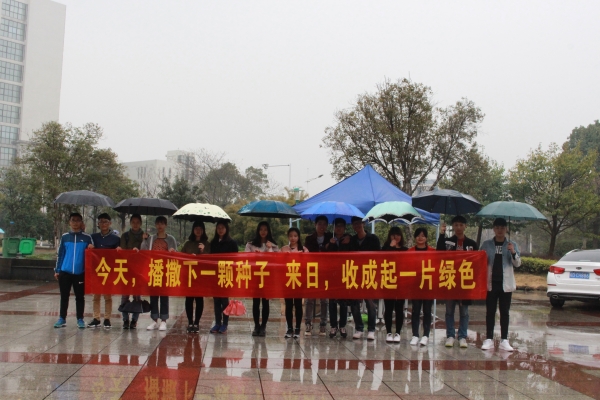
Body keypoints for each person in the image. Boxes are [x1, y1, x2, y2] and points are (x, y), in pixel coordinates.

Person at [437, 215, 479, 348]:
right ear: (453, 226)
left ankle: (462, 336)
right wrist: (442, 234)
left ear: (465, 226)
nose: (458, 227)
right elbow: (439, 253)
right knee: (449, 310)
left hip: (465, 282)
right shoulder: (448, 242)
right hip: (450, 280)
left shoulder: (472, 244)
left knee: (464, 311)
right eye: (456, 225)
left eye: (461, 225)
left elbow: (477, 262)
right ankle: (450, 335)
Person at [480, 218, 521, 352]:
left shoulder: (512, 244)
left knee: (505, 312)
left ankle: (504, 339)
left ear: (506, 229)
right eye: (497, 228)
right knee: (490, 312)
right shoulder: (486, 244)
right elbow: (480, 261)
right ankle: (489, 339)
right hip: (491, 283)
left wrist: (513, 252)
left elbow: (517, 263)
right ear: (494, 229)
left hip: (506, 284)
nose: (500, 230)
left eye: (502, 228)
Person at [53, 212, 94, 329]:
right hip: (65, 272)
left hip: (80, 273)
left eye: (77, 220)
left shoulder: (87, 237)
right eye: (73, 220)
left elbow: (92, 255)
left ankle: (80, 319)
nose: (75, 223)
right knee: (64, 296)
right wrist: (57, 270)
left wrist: (91, 248)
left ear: (81, 222)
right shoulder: (65, 237)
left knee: (80, 297)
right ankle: (62, 318)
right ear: (69, 222)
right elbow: (60, 254)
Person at [141, 216, 177, 331]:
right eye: (158, 223)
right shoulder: (151, 238)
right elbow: (144, 251)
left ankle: (164, 320)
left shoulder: (171, 239)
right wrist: (144, 240)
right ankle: (154, 319)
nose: (160, 226)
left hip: (165, 271)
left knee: (164, 296)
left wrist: (172, 252)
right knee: (154, 296)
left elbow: (175, 254)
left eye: (162, 223)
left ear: (165, 225)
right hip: (154, 270)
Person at [245, 221, 279, 336]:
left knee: (265, 302)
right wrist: (254, 255)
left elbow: (276, 261)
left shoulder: (273, 245)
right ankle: (256, 325)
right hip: (255, 276)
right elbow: (246, 258)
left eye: (265, 229)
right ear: (258, 231)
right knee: (255, 301)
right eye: (261, 229)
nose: (263, 232)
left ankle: (263, 326)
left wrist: (269, 249)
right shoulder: (251, 244)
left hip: (267, 277)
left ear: (268, 231)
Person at [349, 216, 380, 341]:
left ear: (364, 224)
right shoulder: (351, 240)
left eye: (359, 223)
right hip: (355, 275)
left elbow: (379, 256)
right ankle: (359, 328)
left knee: (370, 303)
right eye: (354, 224)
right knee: (354, 303)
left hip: (370, 273)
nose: (357, 226)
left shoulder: (373, 239)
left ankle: (371, 330)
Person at [87, 213, 121, 329]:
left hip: (108, 271)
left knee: (107, 296)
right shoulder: (93, 237)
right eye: (101, 222)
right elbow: (88, 251)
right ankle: (96, 318)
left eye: (105, 221)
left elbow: (119, 256)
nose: (103, 224)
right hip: (96, 270)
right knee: (96, 296)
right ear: (98, 224)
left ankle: (107, 319)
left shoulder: (116, 239)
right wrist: (90, 248)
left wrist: (119, 250)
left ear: (110, 223)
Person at [303, 215, 332, 336]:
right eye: (319, 224)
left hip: (325, 271)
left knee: (324, 300)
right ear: (315, 225)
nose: (322, 226)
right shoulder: (309, 238)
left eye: (324, 224)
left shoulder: (330, 237)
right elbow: (308, 253)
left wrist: (329, 245)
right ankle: (308, 323)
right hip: (312, 270)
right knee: (310, 299)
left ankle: (323, 324)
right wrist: (324, 248)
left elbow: (333, 253)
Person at [181, 221, 210, 334]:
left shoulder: (207, 244)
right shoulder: (188, 244)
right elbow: (181, 256)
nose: (198, 230)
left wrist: (203, 251)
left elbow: (211, 259)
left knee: (199, 299)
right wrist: (189, 257)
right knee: (189, 299)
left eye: (200, 228)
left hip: (200, 275)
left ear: (203, 230)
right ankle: (190, 322)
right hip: (189, 275)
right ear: (193, 230)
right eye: (196, 228)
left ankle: (197, 322)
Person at [210, 220, 238, 334]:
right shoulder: (213, 242)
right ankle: (217, 323)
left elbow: (235, 259)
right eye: (218, 228)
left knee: (224, 300)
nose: (220, 230)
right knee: (216, 300)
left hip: (227, 273)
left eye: (222, 228)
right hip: (216, 274)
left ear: (226, 229)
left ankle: (225, 324)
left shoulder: (232, 243)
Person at [408, 227, 435, 346]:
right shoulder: (410, 252)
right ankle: (415, 335)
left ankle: (425, 335)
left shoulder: (433, 251)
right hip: (415, 285)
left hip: (428, 285)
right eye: (418, 235)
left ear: (426, 238)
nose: (420, 238)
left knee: (427, 311)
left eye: (423, 236)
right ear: (415, 237)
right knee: (416, 310)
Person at [325, 218, 352, 338]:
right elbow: (324, 253)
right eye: (337, 226)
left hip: (345, 273)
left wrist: (348, 240)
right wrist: (331, 244)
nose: (339, 228)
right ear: (333, 228)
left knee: (343, 302)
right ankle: (333, 326)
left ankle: (342, 325)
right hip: (332, 274)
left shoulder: (349, 239)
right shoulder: (329, 238)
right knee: (332, 302)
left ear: (345, 228)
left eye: (341, 226)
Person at [117, 214, 145, 329]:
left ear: (141, 223)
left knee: (137, 296)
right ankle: (125, 319)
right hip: (126, 268)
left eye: (137, 222)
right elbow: (123, 251)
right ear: (130, 223)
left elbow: (147, 252)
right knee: (125, 295)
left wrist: (140, 249)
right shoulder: (125, 236)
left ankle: (134, 320)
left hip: (139, 269)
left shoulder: (145, 236)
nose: (135, 224)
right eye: (133, 222)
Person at [280, 227, 308, 339]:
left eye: (295, 236)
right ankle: (289, 328)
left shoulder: (304, 249)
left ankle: (297, 328)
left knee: (298, 304)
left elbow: (308, 264)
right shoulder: (284, 249)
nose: (293, 238)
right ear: (288, 237)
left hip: (298, 280)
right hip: (287, 280)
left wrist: (302, 257)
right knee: (288, 304)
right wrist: (284, 257)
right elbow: (277, 262)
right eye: (291, 236)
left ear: (298, 237)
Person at [382, 226, 408, 343]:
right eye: (393, 235)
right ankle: (388, 332)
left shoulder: (405, 249)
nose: (395, 237)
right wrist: (391, 247)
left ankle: (397, 332)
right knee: (388, 307)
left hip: (401, 282)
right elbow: (383, 259)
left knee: (399, 308)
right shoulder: (385, 248)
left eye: (397, 235)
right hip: (388, 280)